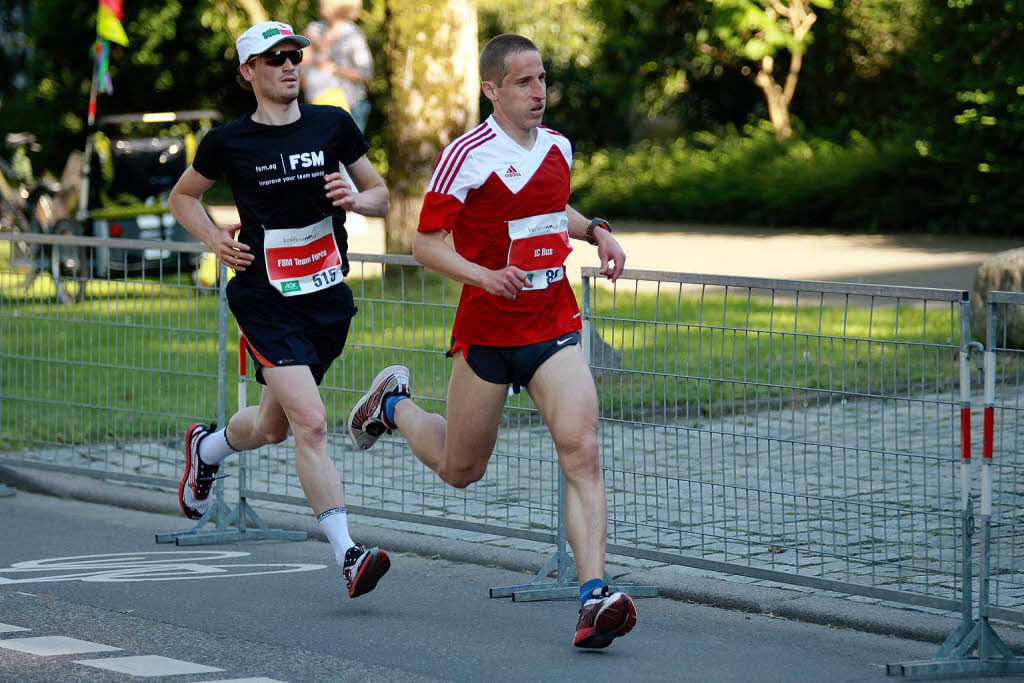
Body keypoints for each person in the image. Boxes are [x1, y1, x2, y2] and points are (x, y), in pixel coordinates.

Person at [347, 34, 635, 648]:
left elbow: (553, 213)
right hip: (487, 332)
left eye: (543, 80)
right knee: (461, 468)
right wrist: (485, 276)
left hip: (554, 326)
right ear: (492, 89)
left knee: (582, 448)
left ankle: (593, 597)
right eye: (525, 82)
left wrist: (597, 232)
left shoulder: (559, 147)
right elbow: (424, 243)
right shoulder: (465, 155)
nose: (539, 93)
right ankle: (391, 406)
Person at [167, 20, 391, 599]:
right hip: (265, 300)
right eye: (274, 59)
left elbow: (381, 194)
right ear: (249, 73)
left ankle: (206, 448)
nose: (289, 66)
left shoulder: (332, 124)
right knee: (311, 423)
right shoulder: (229, 141)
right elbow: (182, 197)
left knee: (270, 426)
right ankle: (348, 553)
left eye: (294, 56)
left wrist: (357, 199)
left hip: (326, 300)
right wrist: (215, 240)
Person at [302, 0, 373, 132]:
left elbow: (366, 73)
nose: (320, 4)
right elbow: (302, 59)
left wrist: (335, 69)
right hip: (318, 103)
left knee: (347, 150)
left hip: (351, 106)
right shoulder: (315, 29)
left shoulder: (353, 35)